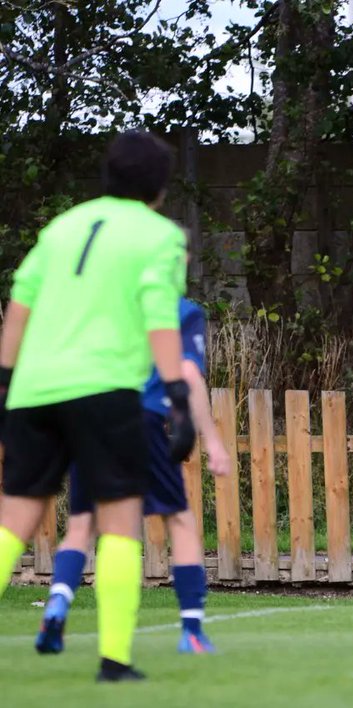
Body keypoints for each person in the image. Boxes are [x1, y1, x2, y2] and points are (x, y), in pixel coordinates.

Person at [0, 130, 195, 682]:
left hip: (34, 388)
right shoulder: (160, 236)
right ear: (159, 187)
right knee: (118, 522)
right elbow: (160, 314)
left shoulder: (62, 227)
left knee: (14, 517)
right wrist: (177, 392)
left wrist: (4, 383)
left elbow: (19, 304)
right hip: (105, 390)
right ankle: (114, 660)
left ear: (106, 176)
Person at [35, 297, 232, 656]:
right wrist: (212, 440)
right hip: (141, 419)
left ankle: (57, 603)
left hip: (89, 415)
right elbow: (188, 373)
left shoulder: (107, 302)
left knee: (82, 523)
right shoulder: (181, 310)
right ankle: (191, 630)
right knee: (180, 520)